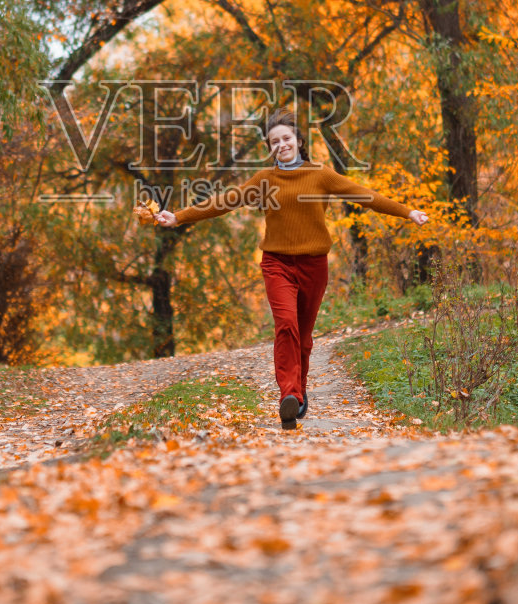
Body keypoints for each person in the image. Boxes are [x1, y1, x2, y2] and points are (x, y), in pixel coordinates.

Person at [152, 110, 429, 429]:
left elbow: (364, 196)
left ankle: (299, 393)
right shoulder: (265, 180)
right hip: (277, 263)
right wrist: (180, 216)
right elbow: (226, 201)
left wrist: (407, 212)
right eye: (274, 141)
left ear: (298, 141)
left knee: (304, 337)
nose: (281, 144)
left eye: (286, 138)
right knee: (286, 326)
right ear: (269, 147)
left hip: (314, 265)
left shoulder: (320, 175)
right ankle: (290, 396)